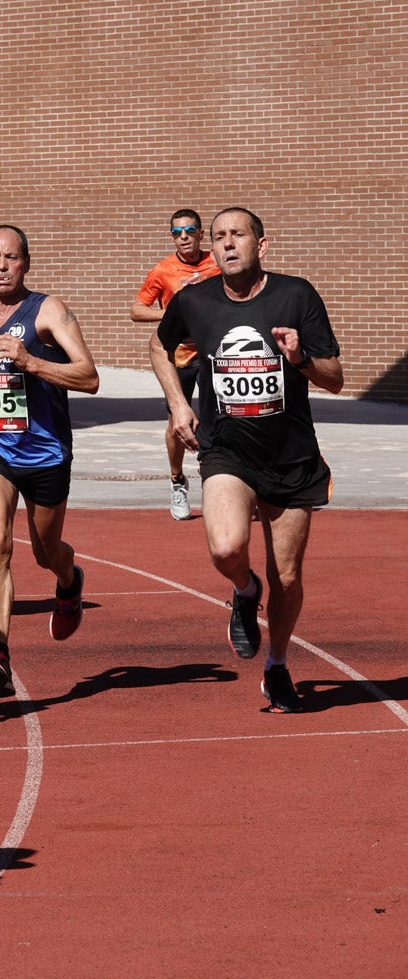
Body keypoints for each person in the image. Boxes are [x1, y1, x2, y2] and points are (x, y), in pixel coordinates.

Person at [150, 207, 343, 713]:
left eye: (238, 235)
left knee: (288, 577)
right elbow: (158, 344)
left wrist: (299, 357)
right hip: (225, 451)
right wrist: (177, 404)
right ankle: (242, 587)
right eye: (218, 237)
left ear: (262, 244)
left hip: (290, 457)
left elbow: (335, 377)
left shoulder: (295, 295)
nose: (227, 244)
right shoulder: (194, 300)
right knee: (226, 546)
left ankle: (277, 665)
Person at [0, 225, 99, 699]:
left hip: (45, 450)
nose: (1, 266)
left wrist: (32, 362)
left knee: (44, 550)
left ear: (26, 263)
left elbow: (90, 377)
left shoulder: (48, 311)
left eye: (10, 258)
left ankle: (68, 578)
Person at [132, 209, 220, 520]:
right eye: (176, 232)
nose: (183, 236)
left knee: (220, 415)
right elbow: (137, 310)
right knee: (177, 423)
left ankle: (219, 477)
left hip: (213, 352)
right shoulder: (162, 271)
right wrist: (174, 315)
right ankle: (177, 480)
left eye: (189, 230)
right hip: (178, 356)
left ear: (200, 234)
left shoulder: (217, 262)